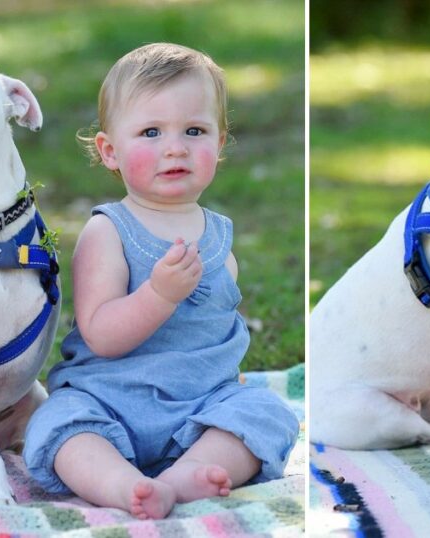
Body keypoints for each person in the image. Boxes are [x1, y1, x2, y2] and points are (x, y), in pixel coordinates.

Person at [23, 43, 299, 519]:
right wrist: (158, 295)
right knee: (59, 425)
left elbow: (214, 337)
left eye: (195, 130)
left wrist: (221, 388)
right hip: (108, 404)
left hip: (199, 411)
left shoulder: (218, 239)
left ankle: (180, 477)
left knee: (266, 412)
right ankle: (120, 483)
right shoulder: (107, 231)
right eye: (151, 132)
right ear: (110, 152)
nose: (175, 147)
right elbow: (102, 335)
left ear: (220, 142)